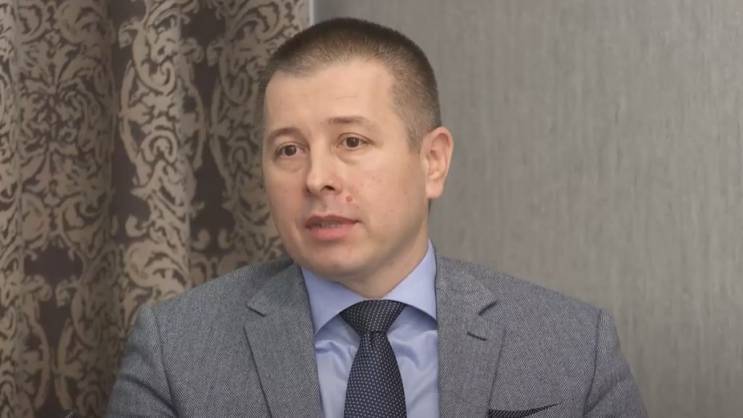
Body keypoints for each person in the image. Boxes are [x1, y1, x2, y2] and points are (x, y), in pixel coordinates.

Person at [106, 17, 647, 417]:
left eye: (351, 141)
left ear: (432, 162)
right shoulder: (177, 352)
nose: (317, 178)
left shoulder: (573, 349)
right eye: (289, 150)